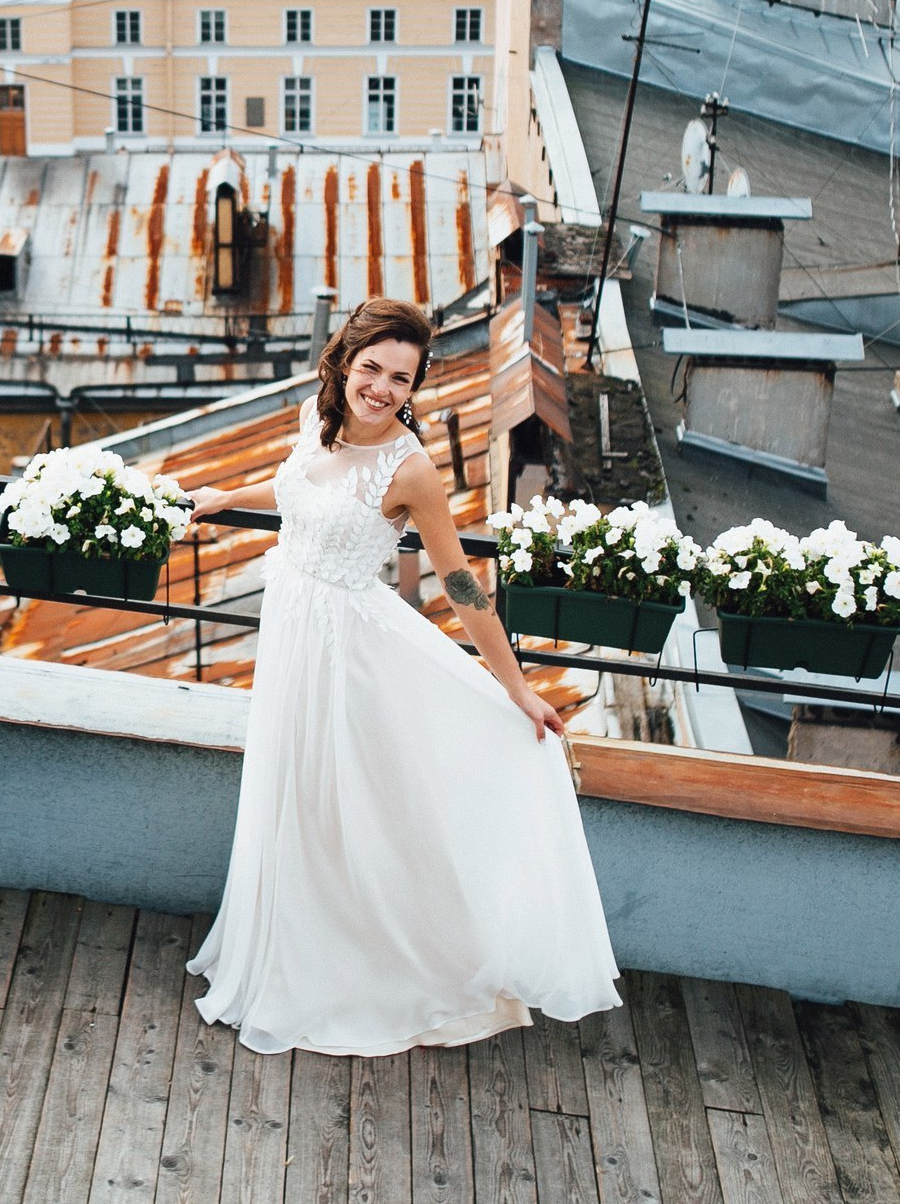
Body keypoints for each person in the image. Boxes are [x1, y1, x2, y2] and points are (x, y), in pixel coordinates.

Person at [181, 298, 622, 1055]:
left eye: (400, 378)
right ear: (344, 363)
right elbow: (295, 490)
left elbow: (460, 583)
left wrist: (517, 687)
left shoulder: (411, 468)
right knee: (292, 790)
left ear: (415, 387)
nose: (381, 388)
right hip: (292, 630)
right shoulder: (317, 419)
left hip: (346, 650)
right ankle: (285, 946)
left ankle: (370, 962)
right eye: (372, 368)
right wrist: (227, 497)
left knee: (345, 805)